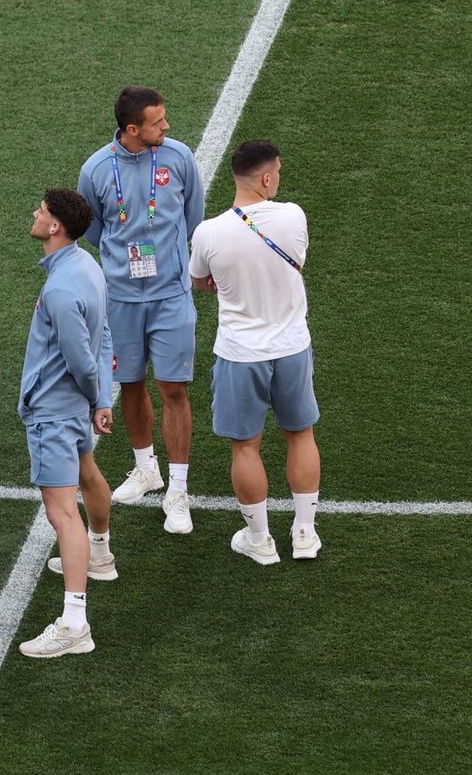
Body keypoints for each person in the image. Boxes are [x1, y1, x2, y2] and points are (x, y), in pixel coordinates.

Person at [78, 85, 204, 534]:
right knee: (129, 384)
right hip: (120, 300)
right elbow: (93, 230)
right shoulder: (95, 169)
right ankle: (145, 467)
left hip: (171, 296)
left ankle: (178, 490)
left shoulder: (178, 158)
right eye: (158, 121)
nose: (166, 126)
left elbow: (193, 217)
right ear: (133, 129)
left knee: (173, 389)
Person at [190, 139, 321, 565]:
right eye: (278, 172)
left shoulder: (208, 232)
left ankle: (260, 539)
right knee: (300, 435)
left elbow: (200, 281)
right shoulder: (293, 216)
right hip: (292, 347)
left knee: (245, 447)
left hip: (240, 352)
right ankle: (304, 533)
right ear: (266, 178)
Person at [17, 189, 117, 660]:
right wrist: (101, 398)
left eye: (41, 211)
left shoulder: (59, 288)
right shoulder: (89, 267)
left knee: (61, 513)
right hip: (76, 408)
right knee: (89, 473)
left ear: (55, 226)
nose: (35, 215)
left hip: (55, 412)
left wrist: (95, 392)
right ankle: (100, 553)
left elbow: (79, 355)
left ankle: (75, 623)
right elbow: (105, 335)